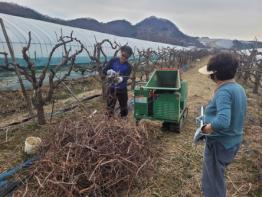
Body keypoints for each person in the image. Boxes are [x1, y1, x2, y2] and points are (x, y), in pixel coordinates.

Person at [198, 53, 247, 197]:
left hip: (219, 143)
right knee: (217, 176)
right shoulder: (239, 89)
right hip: (233, 142)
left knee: (212, 182)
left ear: (215, 75)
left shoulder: (223, 91)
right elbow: (239, 113)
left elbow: (223, 121)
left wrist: (204, 129)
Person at [103, 45, 133, 117]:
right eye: (123, 55)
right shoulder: (113, 60)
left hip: (122, 89)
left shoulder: (129, 66)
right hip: (112, 88)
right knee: (110, 106)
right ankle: (109, 120)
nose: (124, 58)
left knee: (123, 107)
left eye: (126, 57)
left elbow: (126, 77)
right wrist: (109, 72)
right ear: (121, 53)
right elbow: (104, 70)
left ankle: (123, 121)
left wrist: (121, 79)